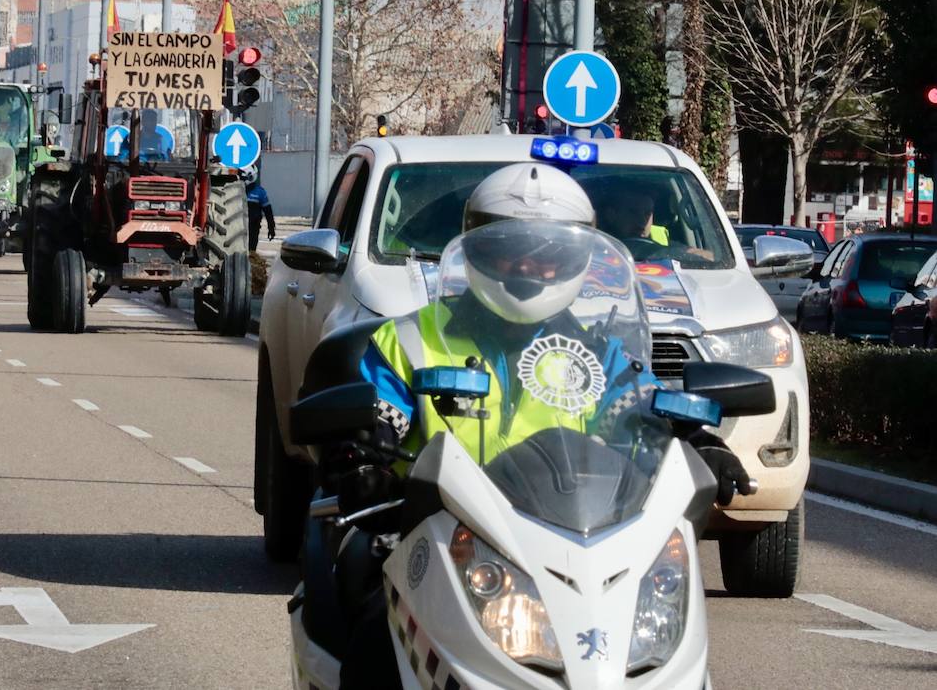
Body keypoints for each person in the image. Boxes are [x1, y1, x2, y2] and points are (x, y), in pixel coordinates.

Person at [332, 163, 751, 688]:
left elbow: (641, 420)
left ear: (578, 260)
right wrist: (362, 456)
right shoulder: (410, 341)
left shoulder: (600, 354)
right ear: (474, 248)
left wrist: (699, 445)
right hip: (440, 534)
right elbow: (373, 421)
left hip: (576, 542)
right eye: (507, 248)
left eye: (551, 256)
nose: (529, 266)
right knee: (371, 625)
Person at [245, 168, 275, 250]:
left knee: (251, 248)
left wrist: (271, 228)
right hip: (237, 227)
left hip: (253, 227)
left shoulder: (260, 192)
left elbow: (268, 211)